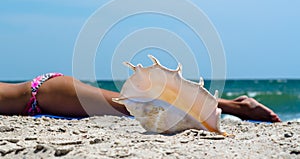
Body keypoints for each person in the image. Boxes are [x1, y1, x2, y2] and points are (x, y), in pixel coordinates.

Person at [0, 73, 281, 122]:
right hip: (44, 96)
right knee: (135, 107)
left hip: (43, 94)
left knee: (135, 106)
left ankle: (235, 106)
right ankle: (233, 106)